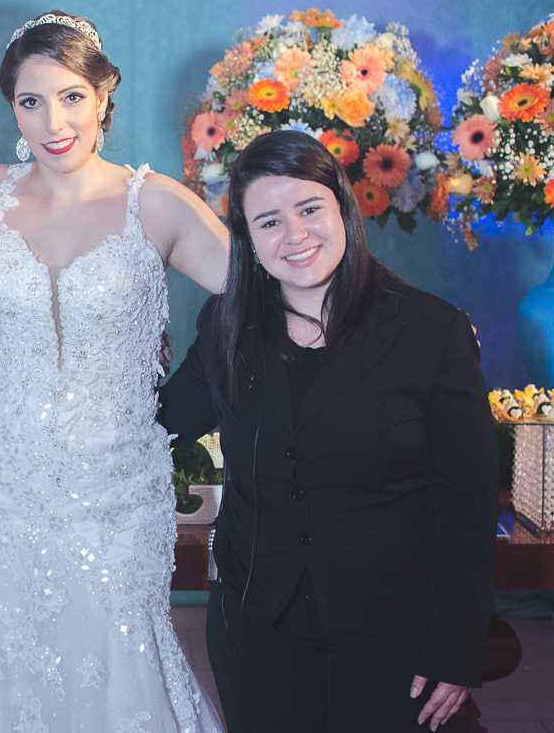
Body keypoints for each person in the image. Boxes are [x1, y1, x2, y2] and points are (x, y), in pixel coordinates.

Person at [0, 12, 229, 732]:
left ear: (104, 91)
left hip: (116, 486)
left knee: (115, 660)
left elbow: (264, 292)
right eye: (30, 101)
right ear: (12, 108)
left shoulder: (153, 202)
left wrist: (181, 403)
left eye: (71, 97)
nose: (52, 121)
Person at [158, 129, 499, 732]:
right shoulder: (226, 327)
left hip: (394, 629)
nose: (295, 235)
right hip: (256, 628)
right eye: (268, 222)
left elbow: (468, 502)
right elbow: (158, 423)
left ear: (343, 209)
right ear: (247, 240)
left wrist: (459, 640)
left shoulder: (431, 332)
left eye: (309, 209)